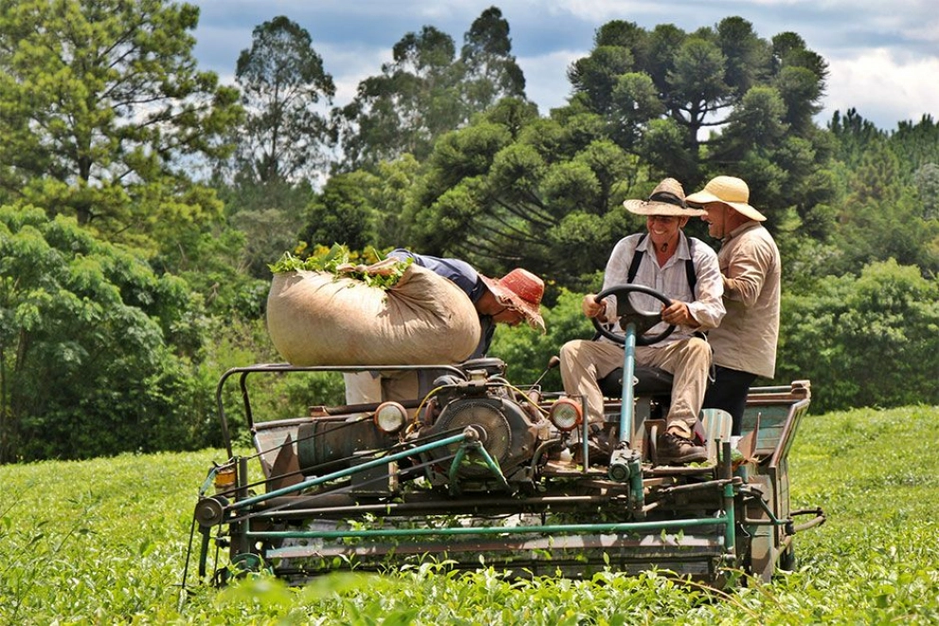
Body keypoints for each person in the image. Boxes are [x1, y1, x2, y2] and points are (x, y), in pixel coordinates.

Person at [559, 178, 725, 464]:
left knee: (700, 349)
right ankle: (595, 433)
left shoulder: (700, 255)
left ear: (682, 220)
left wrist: (686, 312)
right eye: (652, 217)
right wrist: (596, 307)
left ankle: (677, 435)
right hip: (622, 345)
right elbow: (610, 303)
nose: (657, 224)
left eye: (666, 218)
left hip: (673, 347)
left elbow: (714, 311)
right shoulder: (627, 249)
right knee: (572, 350)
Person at [344, 248, 546, 404]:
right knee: (364, 426)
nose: (516, 324)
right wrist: (391, 268)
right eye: (520, 317)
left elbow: (471, 369)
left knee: (406, 431)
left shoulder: (485, 327)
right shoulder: (463, 278)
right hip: (371, 352)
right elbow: (404, 257)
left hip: (408, 369)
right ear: (507, 303)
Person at [686, 176, 781, 438]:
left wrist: (705, 276)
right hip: (732, 356)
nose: (704, 216)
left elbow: (747, 291)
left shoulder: (751, 242)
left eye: (710, 208)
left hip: (733, 356)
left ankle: (712, 475)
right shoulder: (742, 239)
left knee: (708, 431)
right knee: (722, 433)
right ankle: (724, 473)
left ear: (729, 210)